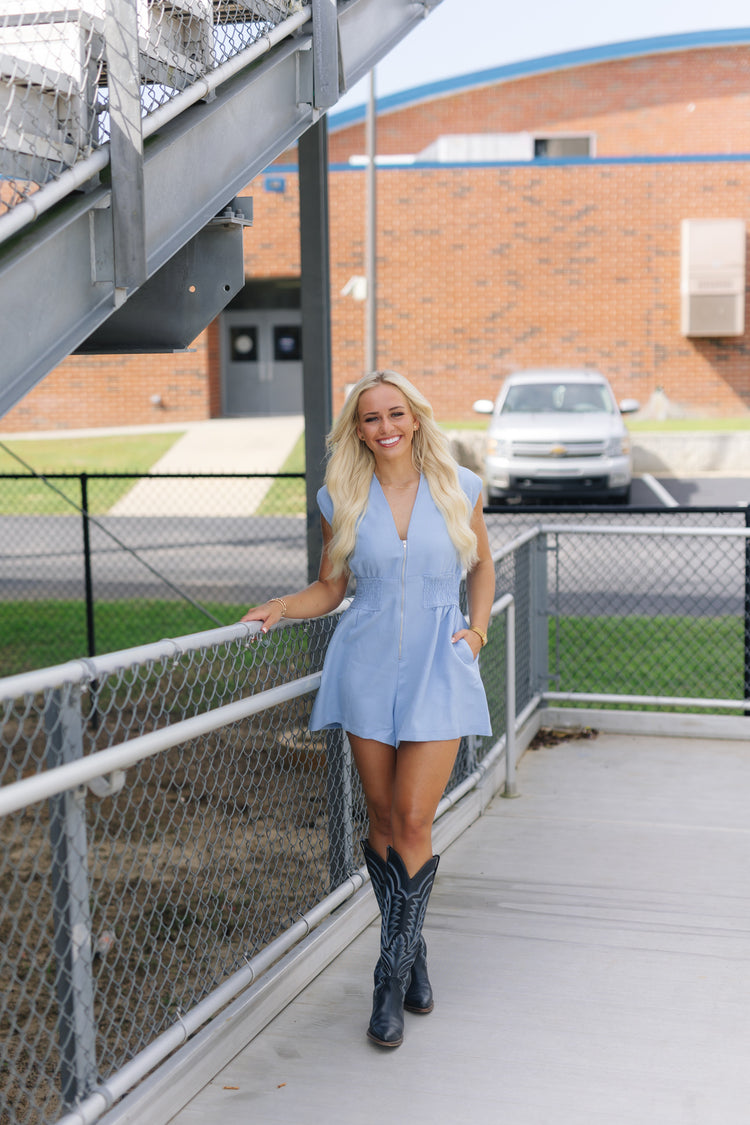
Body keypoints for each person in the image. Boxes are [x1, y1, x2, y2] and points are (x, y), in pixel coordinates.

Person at [242, 370, 495, 1048]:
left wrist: (477, 631)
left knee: (414, 816)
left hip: (440, 667)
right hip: (367, 663)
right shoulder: (343, 496)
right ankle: (410, 950)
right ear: (357, 429)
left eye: (395, 413)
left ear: (415, 417)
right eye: (370, 417)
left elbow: (484, 568)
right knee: (382, 817)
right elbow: (331, 587)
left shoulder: (460, 487)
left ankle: (388, 974)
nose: (385, 426)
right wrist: (283, 606)